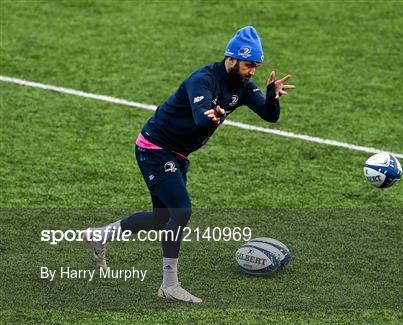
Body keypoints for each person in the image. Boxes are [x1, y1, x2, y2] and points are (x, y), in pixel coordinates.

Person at [84, 26, 295, 303]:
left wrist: (271, 96)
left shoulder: (242, 86)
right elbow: (200, 118)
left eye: (256, 66)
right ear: (231, 59)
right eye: (248, 65)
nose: (251, 71)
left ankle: (101, 235)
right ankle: (169, 285)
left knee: (161, 219)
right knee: (181, 210)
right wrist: (213, 116)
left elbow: (270, 116)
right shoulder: (203, 80)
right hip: (155, 149)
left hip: (177, 154)